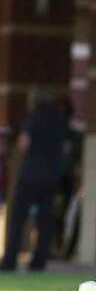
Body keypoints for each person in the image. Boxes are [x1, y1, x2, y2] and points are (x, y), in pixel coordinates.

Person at [1, 91, 70, 271]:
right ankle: (39, 261)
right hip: (50, 177)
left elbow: (24, 143)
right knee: (45, 221)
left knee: (18, 219)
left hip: (29, 175)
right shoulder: (60, 122)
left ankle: (10, 260)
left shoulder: (32, 119)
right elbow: (64, 148)